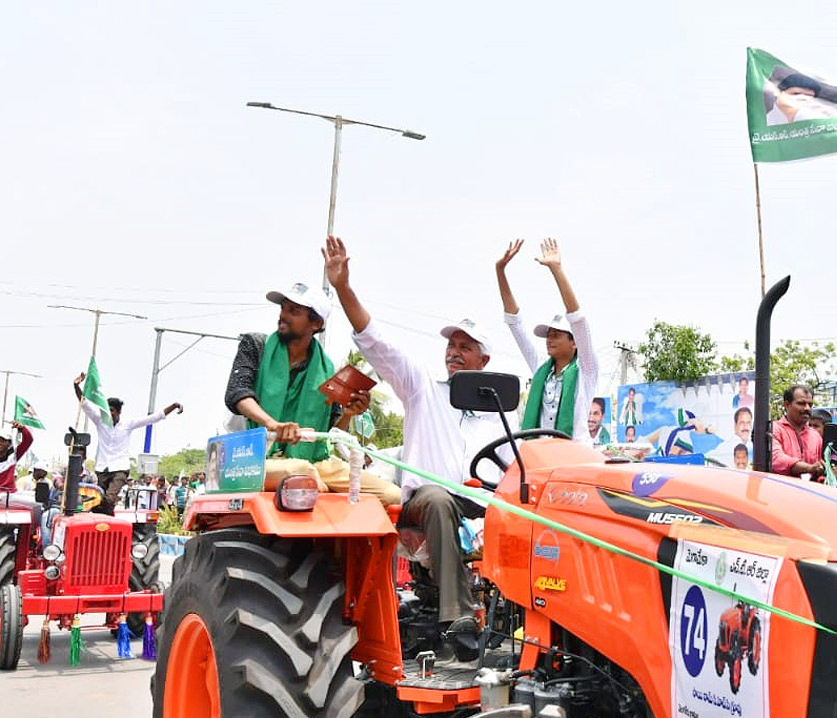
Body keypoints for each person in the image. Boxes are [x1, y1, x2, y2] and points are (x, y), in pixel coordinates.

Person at [323, 235, 510, 634]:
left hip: (480, 505)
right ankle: (459, 617)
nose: (453, 352)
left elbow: (515, 470)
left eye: (465, 346)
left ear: (485, 360)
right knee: (441, 499)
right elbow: (378, 345)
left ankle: (522, 621)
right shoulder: (423, 388)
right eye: (451, 345)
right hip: (426, 502)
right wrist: (343, 288)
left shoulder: (498, 416)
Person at [223, 282, 401, 502]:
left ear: (316, 323)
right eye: (283, 309)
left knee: (392, 495)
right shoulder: (255, 345)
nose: (283, 316)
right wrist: (273, 425)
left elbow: (330, 432)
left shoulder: (327, 370)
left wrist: (348, 413)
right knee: (302, 474)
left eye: (293, 311)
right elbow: (237, 393)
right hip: (251, 457)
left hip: (315, 461)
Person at [496, 238, 598, 442]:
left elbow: (578, 321)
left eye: (556, 334)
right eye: (547, 335)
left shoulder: (586, 370)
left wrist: (556, 270)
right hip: (542, 457)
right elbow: (515, 324)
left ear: (574, 342)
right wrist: (500, 271)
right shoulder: (541, 369)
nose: (549, 339)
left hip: (575, 455)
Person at [73, 376, 181, 516]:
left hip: (120, 469)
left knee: (109, 498)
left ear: (118, 412)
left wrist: (174, 406)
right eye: (107, 410)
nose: (109, 413)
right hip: (102, 468)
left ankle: (107, 518)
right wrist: (76, 386)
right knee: (97, 501)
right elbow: (85, 404)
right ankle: (105, 524)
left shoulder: (128, 424)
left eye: (112, 410)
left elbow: (153, 418)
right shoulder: (100, 421)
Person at [771, 384, 823, 479]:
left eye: (810, 405)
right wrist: (809, 468)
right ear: (787, 405)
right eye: (801, 403)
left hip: (811, 491)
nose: (807, 408)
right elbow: (777, 460)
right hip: (780, 490)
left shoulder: (815, 435)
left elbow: (820, 465)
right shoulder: (774, 429)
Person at [766, 71, 837, 124]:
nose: (802, 97)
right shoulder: (761, 120)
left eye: (809, 96)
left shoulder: (819, 120)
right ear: (780, 93)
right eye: (796, 93)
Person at [0, 423, 34, 494]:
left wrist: (22, 429)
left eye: (3, 440)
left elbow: (29, 440)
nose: (0, 443)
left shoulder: (13, 455)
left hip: (9, 495)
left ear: (9, 443)